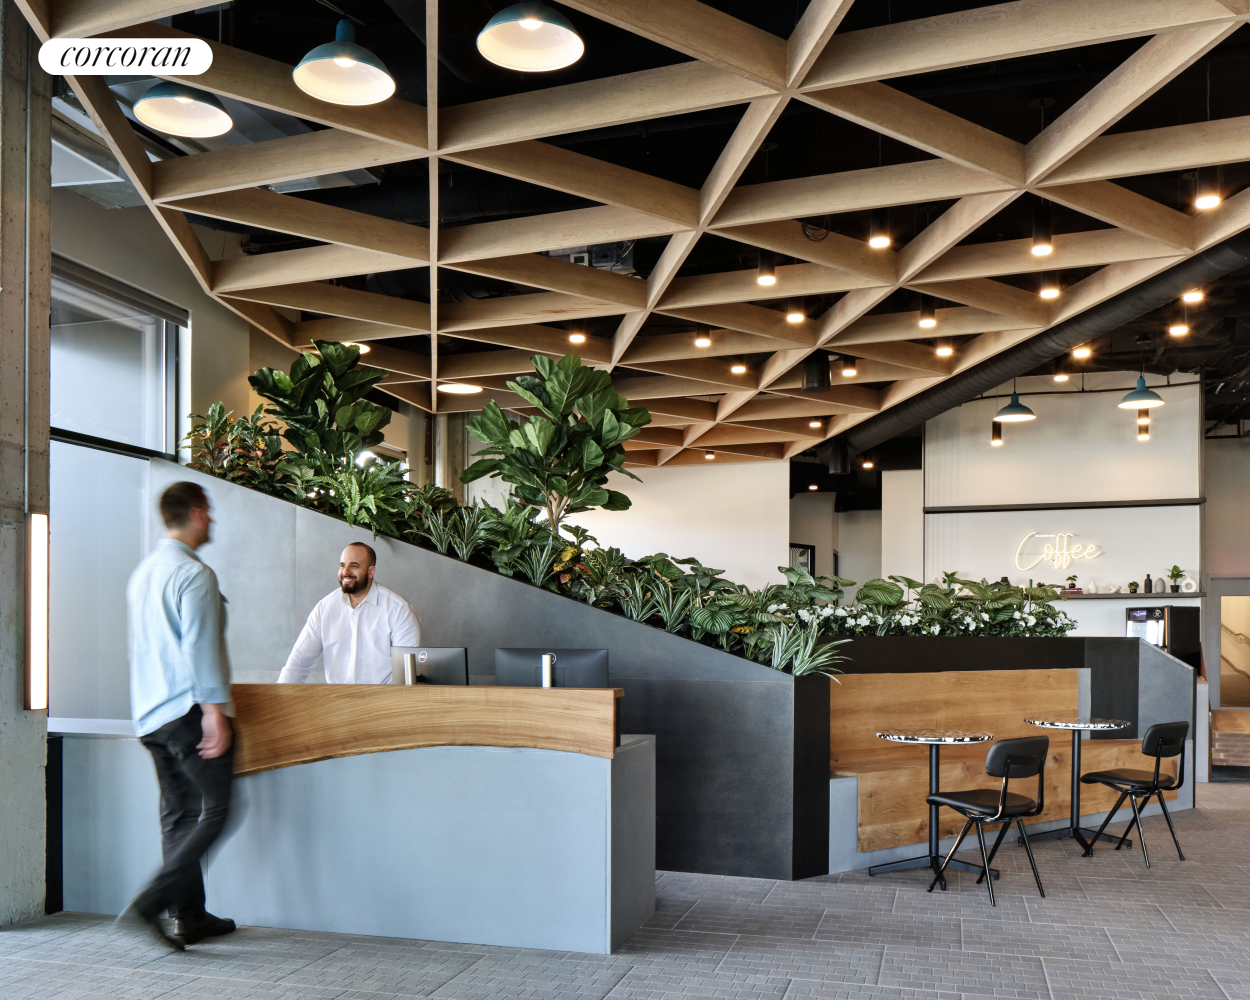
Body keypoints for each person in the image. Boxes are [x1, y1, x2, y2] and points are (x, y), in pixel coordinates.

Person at [122, 481, 236, 950]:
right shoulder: (194, 574)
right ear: (196, 512)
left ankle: (187, 916)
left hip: (150, 716)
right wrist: (214, 712)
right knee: (220, 808)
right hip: (188, 711)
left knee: (180, 815)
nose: (212, 520)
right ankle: (153, 901)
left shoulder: (143, 574)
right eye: (209, 512)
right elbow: (200, 647)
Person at [277, 542, 421, 684]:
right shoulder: (324, 607)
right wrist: (279, 696)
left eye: (354, 565)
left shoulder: (399, 610)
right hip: (337, 698)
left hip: (384, 697)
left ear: (371, 572)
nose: (345, 571)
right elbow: (299, 662)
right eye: (342, 565)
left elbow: (406, 675)